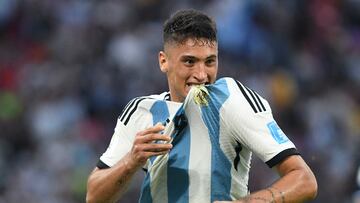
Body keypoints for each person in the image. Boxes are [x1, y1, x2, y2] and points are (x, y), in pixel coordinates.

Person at [86, 9, 317, 203]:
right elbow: (94, 196)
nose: (201, 75)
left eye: (210, 62)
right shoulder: (140, 111)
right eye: (189, 61)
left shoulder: (231, 99)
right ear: (163, 61)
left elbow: (304, 179)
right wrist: (131, 161)